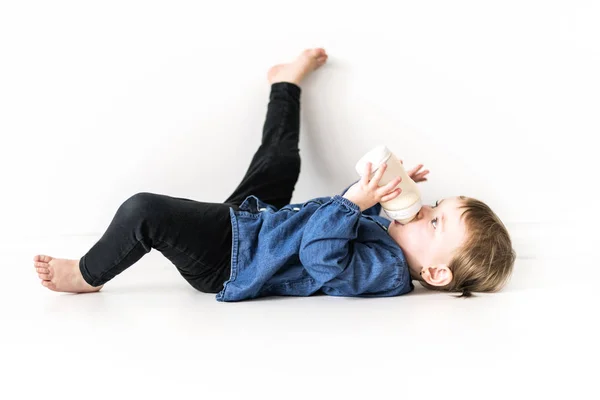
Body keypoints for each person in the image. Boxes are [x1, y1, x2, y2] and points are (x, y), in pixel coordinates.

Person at [33, 48, 516, 302]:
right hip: (259, 222)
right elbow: (329, 215)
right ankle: (284, 82)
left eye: (435, 223)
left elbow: (322, 255)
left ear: (433, 272)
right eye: (436, 204)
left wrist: (356, 205)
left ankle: (86, 274)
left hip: (232, 261)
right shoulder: (393, 234)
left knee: (144, 210)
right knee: (281, 161)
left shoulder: (386, 273)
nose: (425, 209)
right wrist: (384, 185)